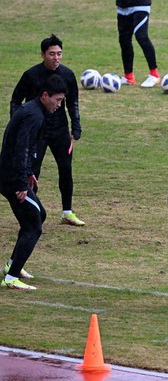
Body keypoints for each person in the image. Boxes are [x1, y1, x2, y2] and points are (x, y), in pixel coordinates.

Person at [10, 34, 84, 227]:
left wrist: (76, 126)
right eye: (52, 54)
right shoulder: (31, 75)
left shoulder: (67, 75)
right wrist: (19, 124)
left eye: (59, 54)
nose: (56, 58)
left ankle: (67, 212)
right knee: (33, 171)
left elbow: (73, 102)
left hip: (60, 131)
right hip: (37, 133)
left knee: (66, 169)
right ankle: (30, 213)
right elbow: (15, 100)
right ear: (43, 54)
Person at [1, 75, 67, 290]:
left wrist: (29, 172)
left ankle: (14, 265)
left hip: (13, 175)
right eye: (57, 100)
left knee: (38, 215)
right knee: (34, 225)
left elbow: (24, 146)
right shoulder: (33, 116)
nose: (59, 105)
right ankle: (11, 277)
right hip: (11, 178)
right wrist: (21, 184)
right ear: (45, 95)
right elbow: (21, 149)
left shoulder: (33, 111)